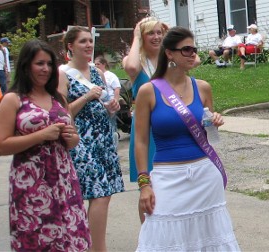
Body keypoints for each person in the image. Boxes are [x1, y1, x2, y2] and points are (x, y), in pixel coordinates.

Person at [134, 26, 240, 251]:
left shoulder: (202, 88)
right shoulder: (148, 91)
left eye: (194, 49)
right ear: (169, 54)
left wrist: (214, 122)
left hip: (204, 174)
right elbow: (141, 141)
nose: (193, 54)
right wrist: (144, 184)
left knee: (208, 238)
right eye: (186, 50)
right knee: (166, 238)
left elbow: (211, 137)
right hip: (167, 176)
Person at [0, 39, 91, 251]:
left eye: (49, 64)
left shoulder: (58, 99)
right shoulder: (13, 99)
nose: (46, 69)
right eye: (39, 63)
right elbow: (0, 145)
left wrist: (71, 138)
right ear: (26, 65)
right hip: (31, 184)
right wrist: (41, 135)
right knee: (38, 239)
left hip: (64, 179)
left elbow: (73, 138)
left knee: (72, 238)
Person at [58, 26, 124, 251]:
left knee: (103, 193)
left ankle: (88, 245)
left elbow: (104, 104)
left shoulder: (97, 72)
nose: (88, 45)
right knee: (100, 192)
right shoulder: (62, 73)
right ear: (70, 46)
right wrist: (86, 96)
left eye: (90, 41)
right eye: (82, 41)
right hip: (80, 140)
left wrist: (112, 106)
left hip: (102, 138)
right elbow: (61, 112)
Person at [123, 16, 168, 184]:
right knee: (148, 182)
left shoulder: (169, 59)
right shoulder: (136, 61)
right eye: (150, 33)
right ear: (142, 37)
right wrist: (136, 36)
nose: (156, 37)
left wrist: (170, 34)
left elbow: (194, 60)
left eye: (159, 33)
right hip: (145, 123)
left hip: (167, 119)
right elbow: (132, 67)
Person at [94, 55, 121, 146]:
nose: (96, 65)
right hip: (101, 103)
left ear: (104, 64)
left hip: (110, 102)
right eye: (95, 64)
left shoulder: (110, 75)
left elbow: (117, 88)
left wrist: (116, 101)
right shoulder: (95, 74)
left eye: (98, 64)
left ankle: (113, 139)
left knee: (111, 123)